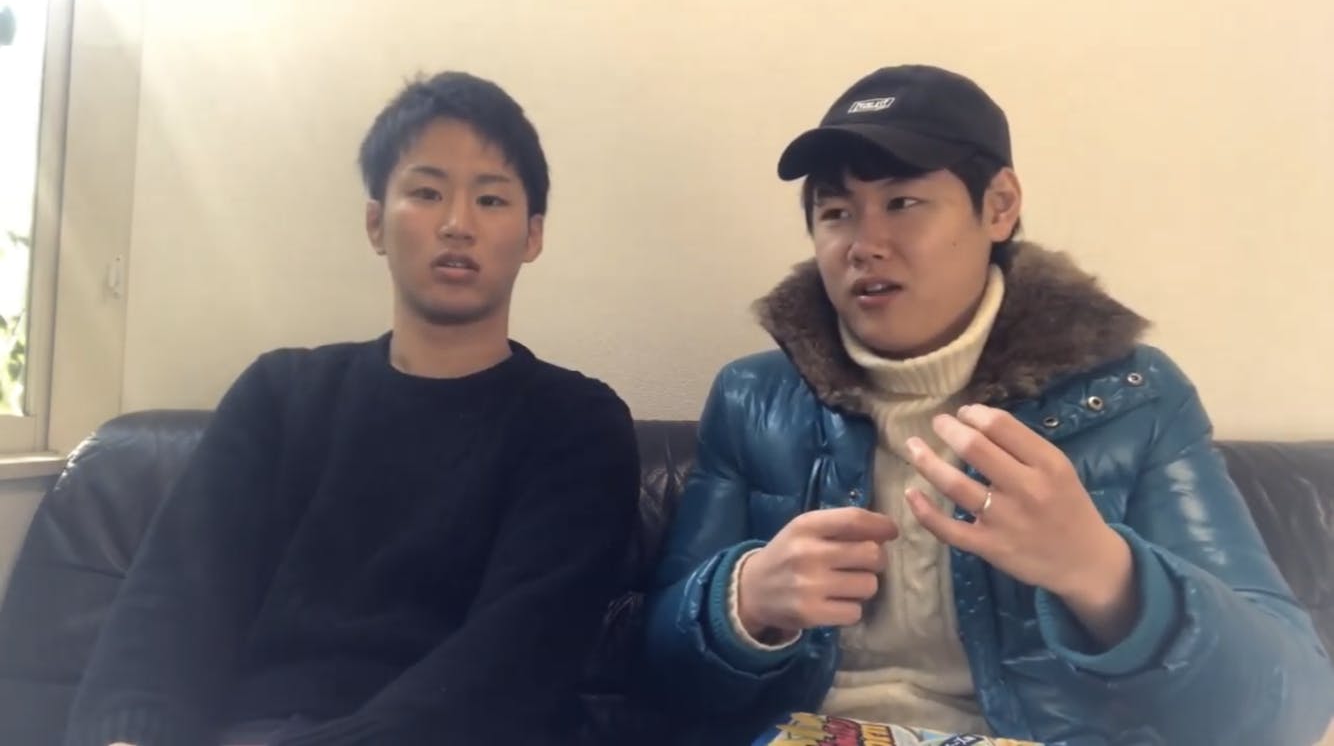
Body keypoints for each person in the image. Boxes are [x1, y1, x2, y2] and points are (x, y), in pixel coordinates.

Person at [642, 64, 1334, 744]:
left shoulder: (1131, 396)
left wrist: (1103, 572)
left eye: (902, 203)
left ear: (999, 206)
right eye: (835, 213)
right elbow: (661, 677)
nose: (864, 245)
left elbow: (1289, 707)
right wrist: (743, 602)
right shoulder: (755, 398)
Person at [66, 71, 640, 746]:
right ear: (376, 223)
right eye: (427, 193)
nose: (457, 225)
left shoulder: (577, 425)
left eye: (490, 199)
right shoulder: (278, 395)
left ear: (532, 235)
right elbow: (168, 609)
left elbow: (511, 667)